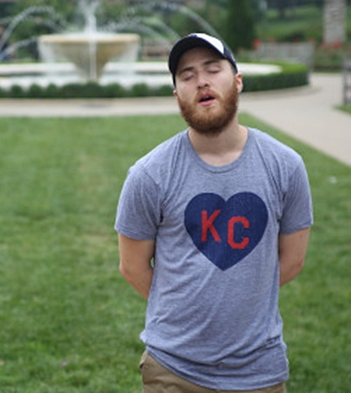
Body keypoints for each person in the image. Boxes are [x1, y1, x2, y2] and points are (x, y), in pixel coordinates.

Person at [115, 33, 313, 393]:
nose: (201, 81)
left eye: (212, 69)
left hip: (260, 371)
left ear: (237, 80)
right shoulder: (148, 175)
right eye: (187, 75)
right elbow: (132, 267)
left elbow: (293, 261)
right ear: (177, 95)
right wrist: (188, 308)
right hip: (172, 371)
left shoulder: (286, 166)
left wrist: (241, 298)